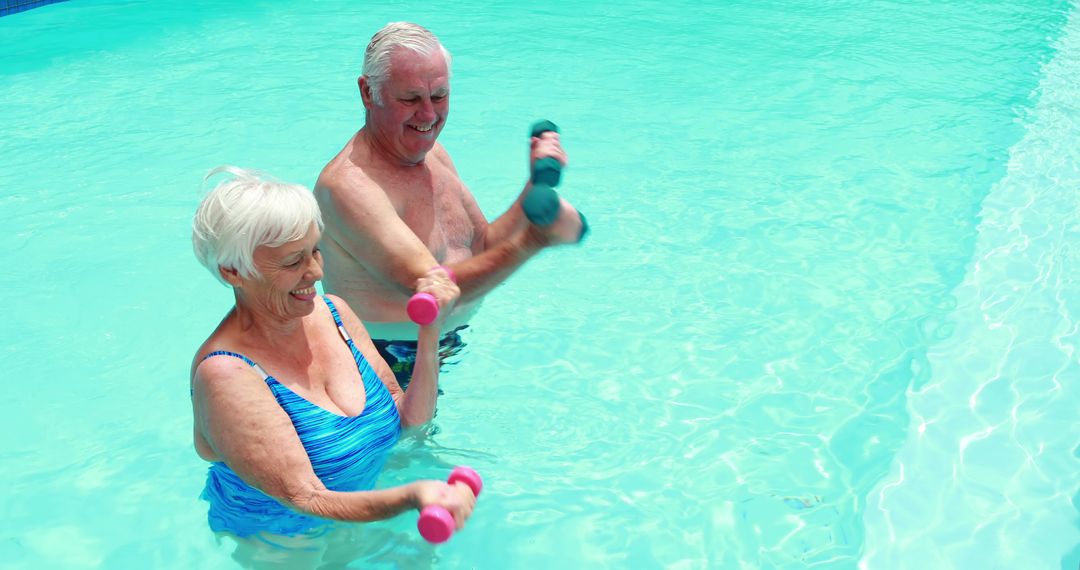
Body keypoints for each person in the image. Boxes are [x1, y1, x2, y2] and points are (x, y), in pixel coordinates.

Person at [189, 166, 475, 544]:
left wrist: (429, 329)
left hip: (368, 509)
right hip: (282, 543)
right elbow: (304, 497)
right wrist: (411, 496)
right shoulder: (225, 375)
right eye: (293, 262)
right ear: (233, 272)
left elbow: (407, 423)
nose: (316, 272)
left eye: (316, 251)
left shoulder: (336, 313)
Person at [315, 22, 587, 388]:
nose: (428, 116)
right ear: (368, 92)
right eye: (410, 99)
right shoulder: (349, 187)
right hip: (387, 362)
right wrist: (534, 241)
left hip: (442, 341)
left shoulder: (430, 152)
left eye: (439, 96)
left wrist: (533, 186)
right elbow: (439, 294)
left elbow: (483, 246)